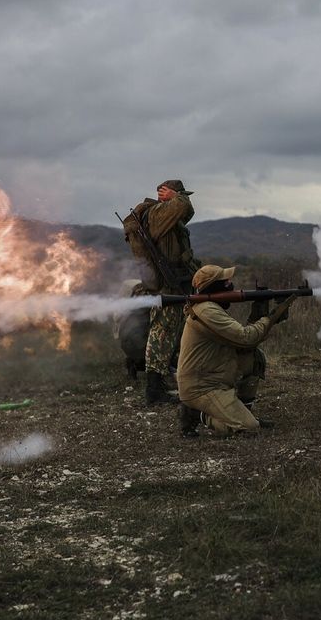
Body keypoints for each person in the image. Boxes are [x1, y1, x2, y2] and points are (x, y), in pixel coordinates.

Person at [176, 265, 294, 437]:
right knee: (249, 428)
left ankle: (243, 412)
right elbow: (246, 337)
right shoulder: (207, 311)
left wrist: (258, 312)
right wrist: (272, 316)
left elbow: (242, 344)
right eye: (225, 282)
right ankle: (196, 414)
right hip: (201, 386)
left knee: (254, 357)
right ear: (213, 287)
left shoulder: (211, 306)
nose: (230, 284)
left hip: (214, 375)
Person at [123, 179, 200, 405]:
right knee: (162, 333)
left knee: (168, 332)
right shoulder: (158, 213)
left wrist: (176, 197)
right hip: (166, 285)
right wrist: (174, 198)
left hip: (173, 282)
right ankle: (154, 389)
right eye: (179, 194)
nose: (184, 199)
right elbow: (183, 206)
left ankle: (160, 381)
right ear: (169, 195)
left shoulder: (165, 214)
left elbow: (187, 211)